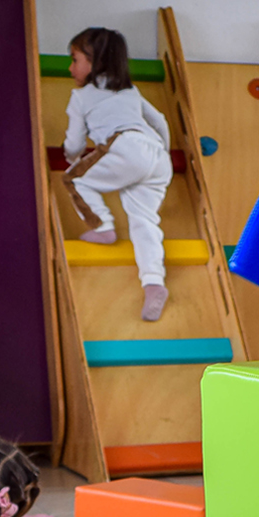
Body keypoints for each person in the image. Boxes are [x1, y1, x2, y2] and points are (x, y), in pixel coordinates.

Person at [63, 27, 173, 322]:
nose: (71, 67)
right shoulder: (129, 91)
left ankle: (102, 226)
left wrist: (72, 159)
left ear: (94, 61)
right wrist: (161, 152)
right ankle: (153, 283)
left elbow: (74, 143)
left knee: (73, 178)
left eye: (75, 59)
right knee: (144, 222)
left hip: (124, 146)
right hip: (158, 158)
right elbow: (160, 121)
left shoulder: (82, 96)